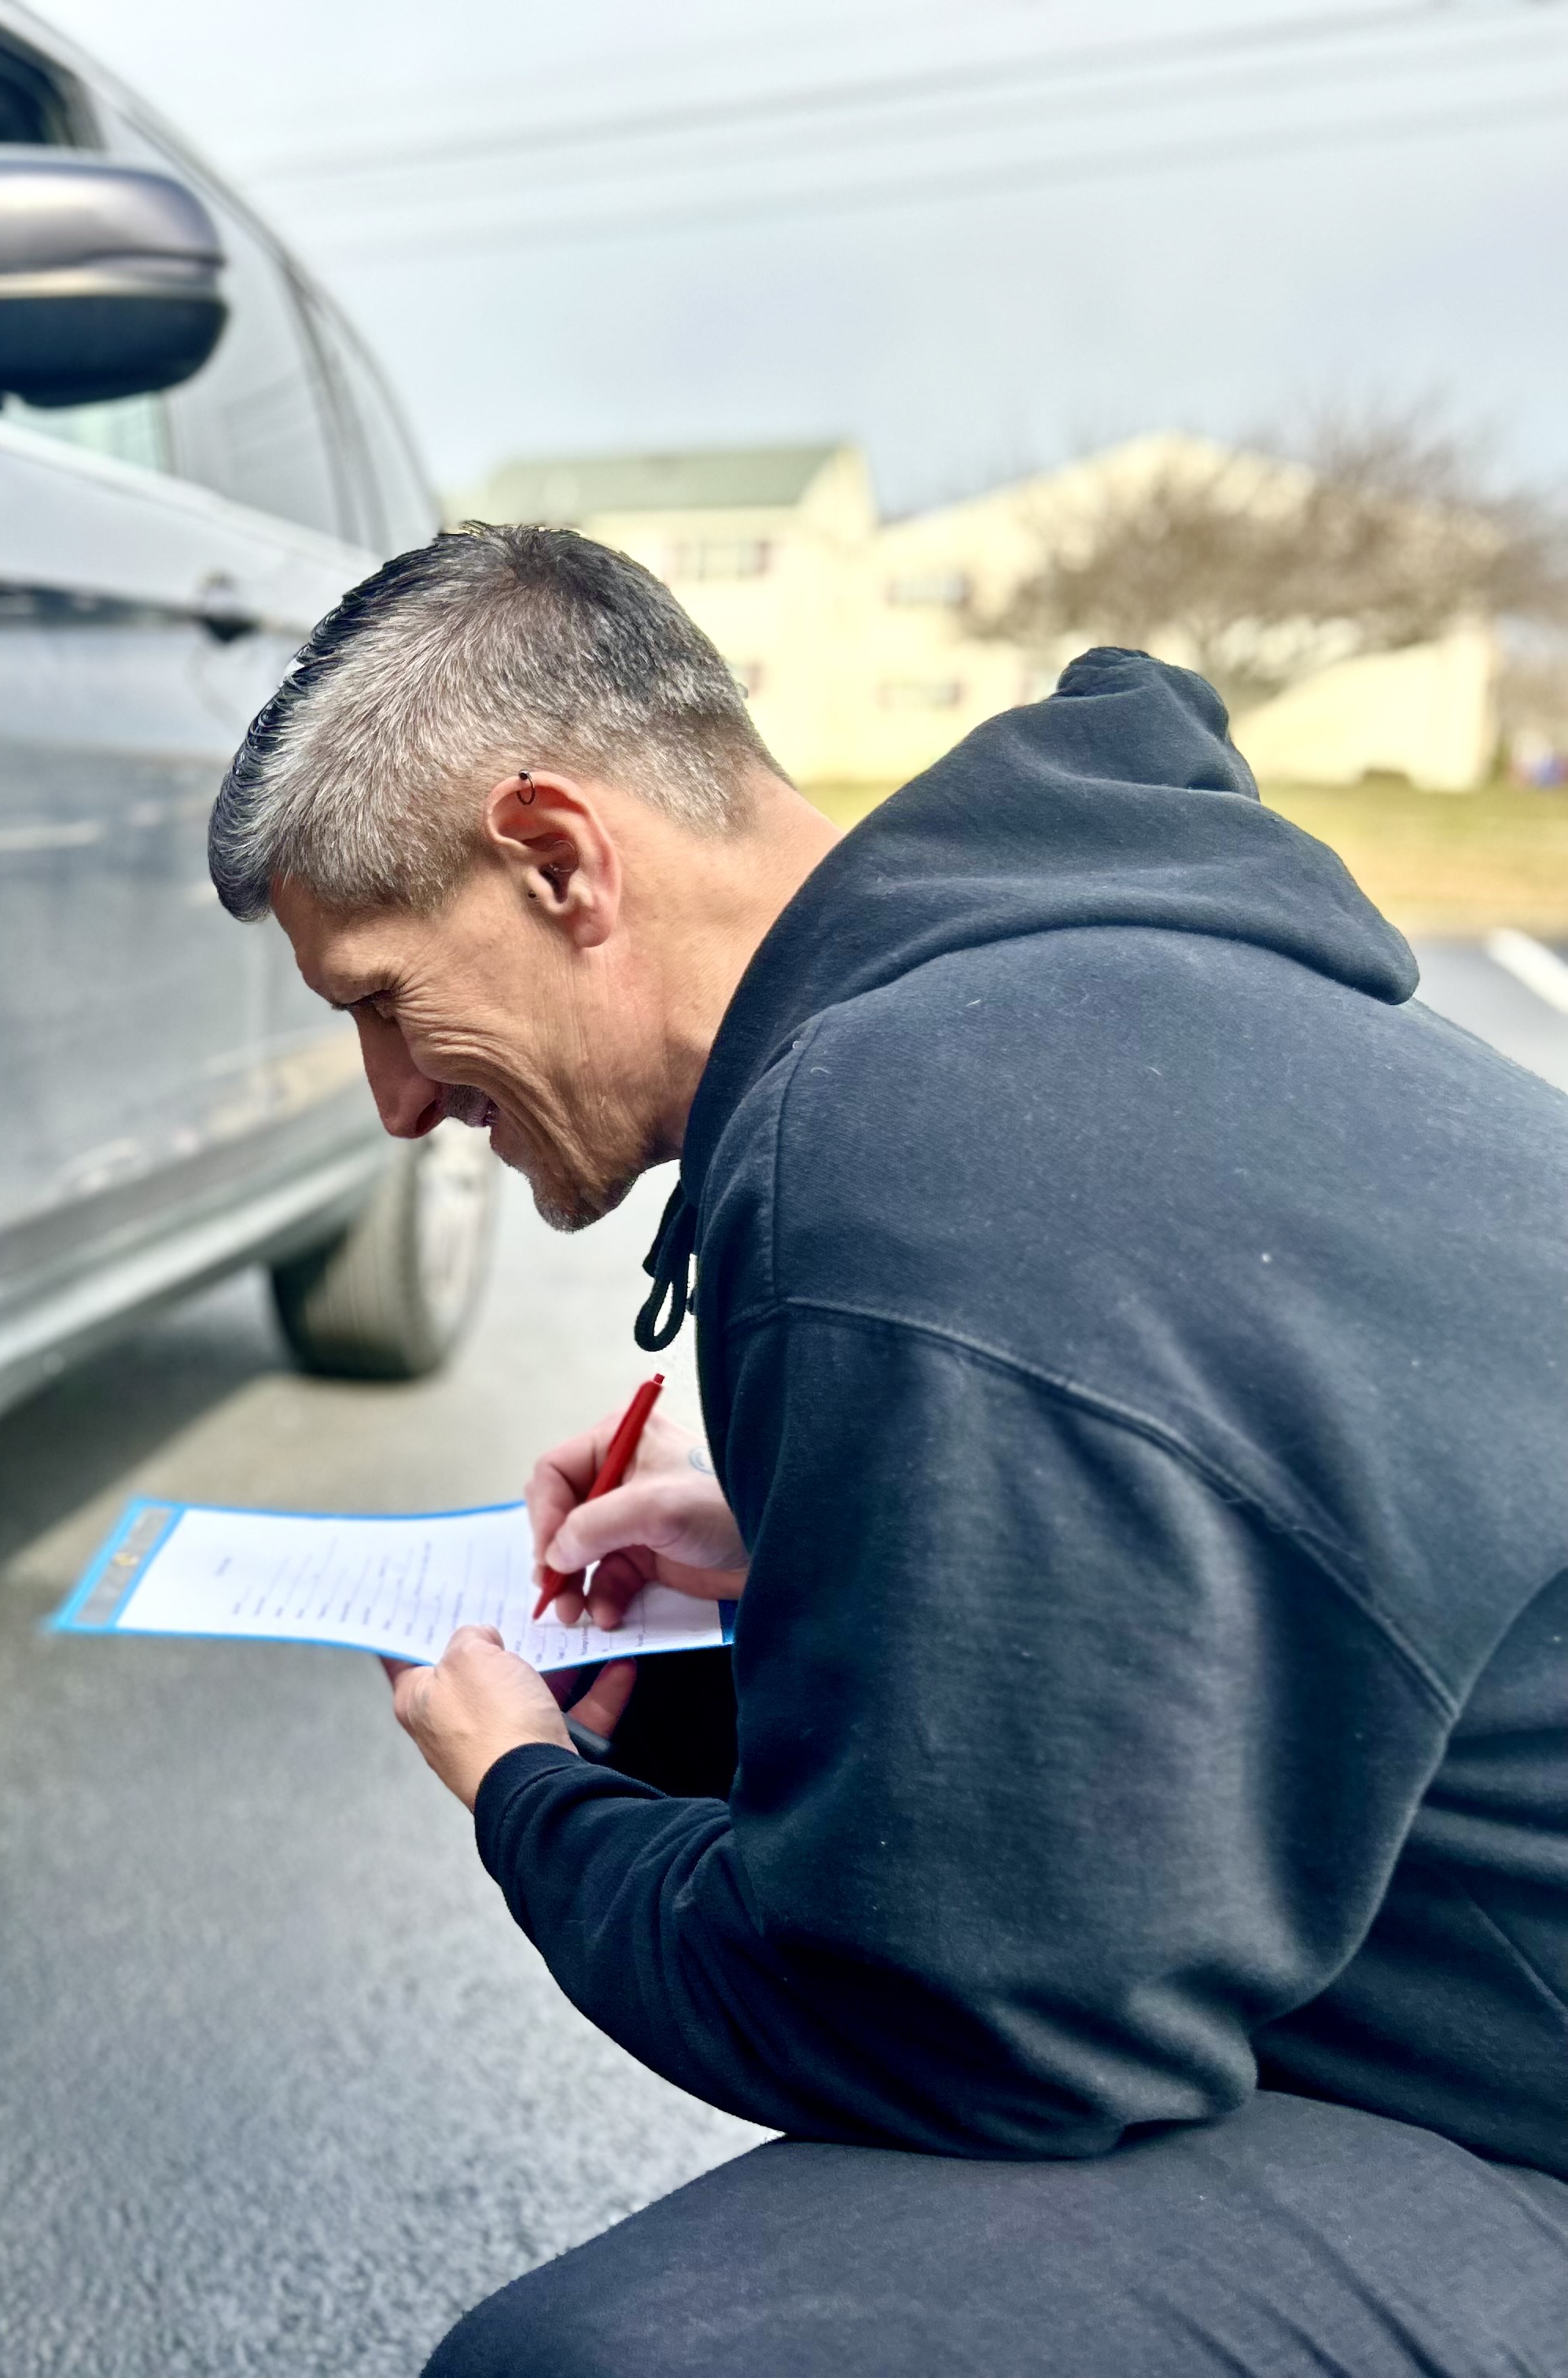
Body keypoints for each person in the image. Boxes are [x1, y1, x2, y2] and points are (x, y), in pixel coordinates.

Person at [208, 525, 1568, 2375]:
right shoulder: (1066, 1001)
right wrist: (815, 1546)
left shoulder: (902, 1145)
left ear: (554, 858)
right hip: (1475, 1995)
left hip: (1524, 2132)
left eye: (380, 997)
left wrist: (533, 1799)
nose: (396, 1104)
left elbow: (977, 2029)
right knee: (714, 1712)